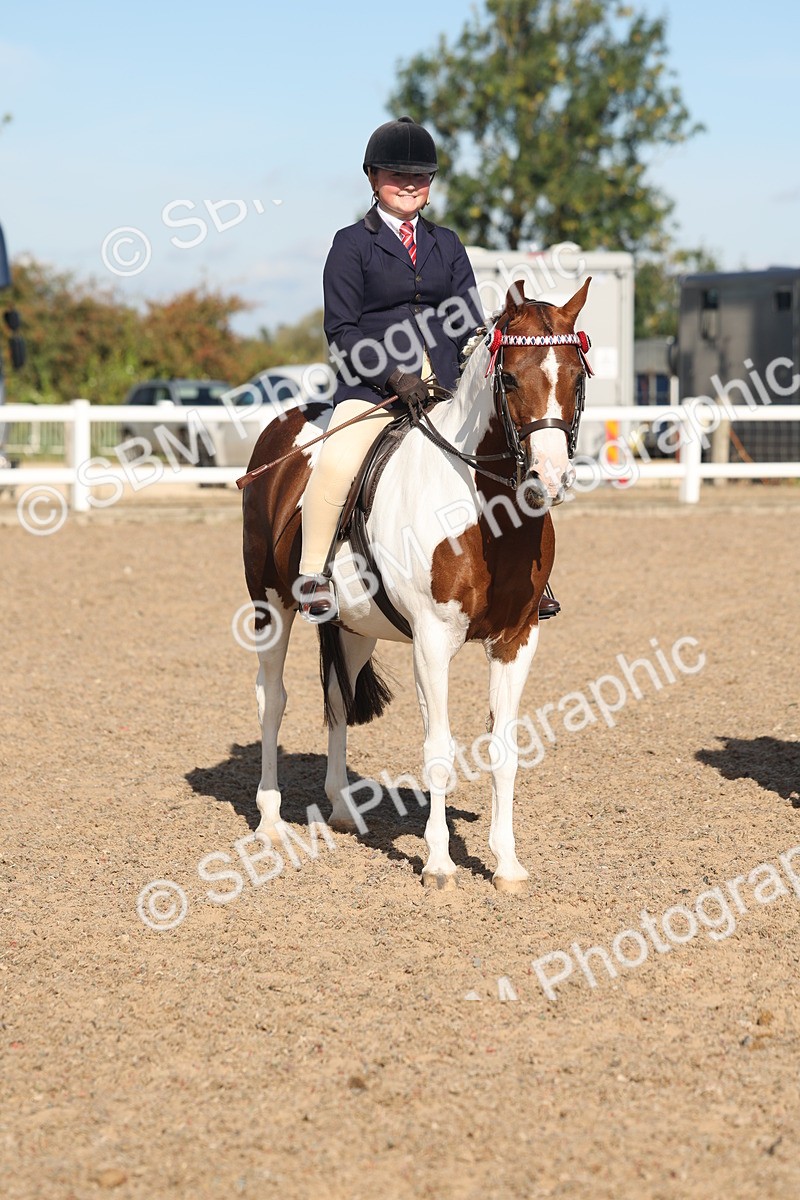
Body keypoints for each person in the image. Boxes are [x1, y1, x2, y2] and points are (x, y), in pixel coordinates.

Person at [297, 116, 560, 623]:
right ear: (373, 178)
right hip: (374, 388)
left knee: (511, 451)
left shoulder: (447, 243)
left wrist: (486, 352)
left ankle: (533, 575)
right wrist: (393, 377)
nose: (410, 184)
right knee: (337, 458)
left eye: (420, 175)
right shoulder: (351, 244)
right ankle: (314, 572)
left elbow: (465, 319)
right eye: (397, 175)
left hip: (445, 386)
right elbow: (342, 331)